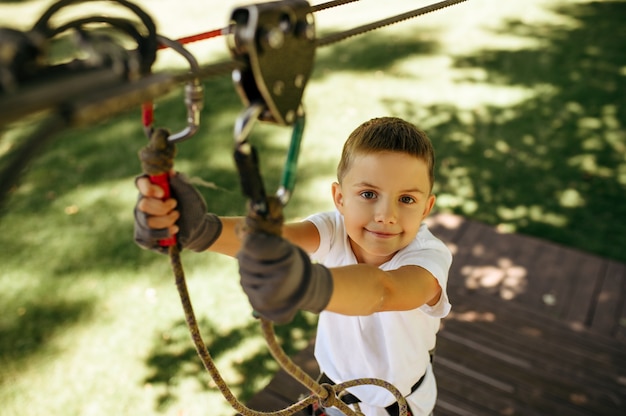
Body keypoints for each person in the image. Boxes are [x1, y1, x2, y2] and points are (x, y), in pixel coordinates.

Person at [134, 117, 452, 416]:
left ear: (427, 207)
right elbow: (273, 239)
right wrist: (202, 232)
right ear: (339, 199)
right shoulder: (333, 229)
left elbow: (384, 290)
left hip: (400, 406)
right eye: (368, 194)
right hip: (333, 396)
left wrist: (305, 285)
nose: (386, 214)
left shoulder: (429, 257)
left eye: (407, 199)